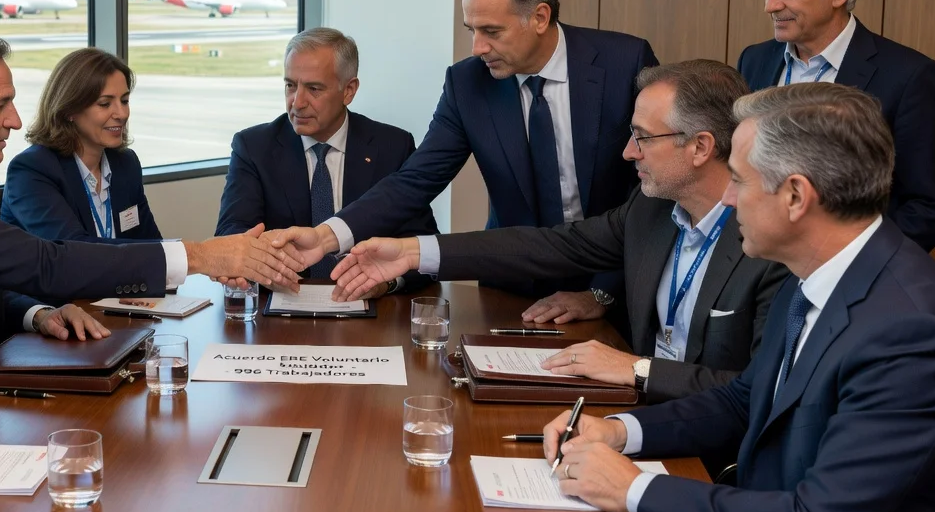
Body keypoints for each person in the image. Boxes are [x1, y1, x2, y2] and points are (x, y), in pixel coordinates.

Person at [539, 83, 935, 512]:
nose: (725, 196)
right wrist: (619, 431)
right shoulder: (815, 270)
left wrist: (632, 488)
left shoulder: (911, 335)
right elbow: (746, 399)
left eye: (739, 181)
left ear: (795, 196)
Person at [0, 30, 299, 389]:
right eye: (0, 106)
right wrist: (204, 255)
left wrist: (37, 314)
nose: (16, 120)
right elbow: (49, 262)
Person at [329, 61, 788, 402]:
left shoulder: (771, 245)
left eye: (643, 137)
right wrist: (413, 252)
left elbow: (758, 392)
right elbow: (548, 246)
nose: (628, 152)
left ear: (700, 147)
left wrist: (637, 369)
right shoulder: (648, 213)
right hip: (635, 415)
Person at [271, 0, 658, 320]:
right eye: (471, 29)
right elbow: (415, 180)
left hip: (611, 285)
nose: (477, 48)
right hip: (511, 287)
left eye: (492, 31)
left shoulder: (623, 65)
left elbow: (650, 197)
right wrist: (326, 237)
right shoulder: (468, 83)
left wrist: (600, 294)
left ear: (540, 17)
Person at [736, 0, 935, 251]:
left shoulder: (908, 77)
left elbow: (932, 206)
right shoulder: (754, 60)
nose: (771, 5)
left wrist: (846, 263)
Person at [216, 28, 438, 296]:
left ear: (349, 91)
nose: (297, 102)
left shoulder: (392, 146)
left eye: (313, 88)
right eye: (290, 85)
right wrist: (264, 264)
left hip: (370, 313)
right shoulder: (254, 147)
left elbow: (422, 244)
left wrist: (386, 282)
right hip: (280, 307)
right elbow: (233, 234)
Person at [1, 48, 162, 243]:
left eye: (125, 100)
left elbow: (152, 244)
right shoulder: (32, 170)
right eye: (105, 104)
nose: (122, 114)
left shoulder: (126, 163)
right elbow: (75, 255)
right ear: (69, 110)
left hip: (121, 275)